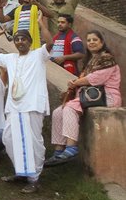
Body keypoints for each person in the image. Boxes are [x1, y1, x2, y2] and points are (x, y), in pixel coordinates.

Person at [0, 25, 52, 194]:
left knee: (33, 142)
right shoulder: (10, 58)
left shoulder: (38, 55)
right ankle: (21, 172)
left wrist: (42, 23)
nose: (20, 42)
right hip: (14, 106)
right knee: (9, 138)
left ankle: (34, 179)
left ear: (30, 42)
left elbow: (50, 43)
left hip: (32, 104)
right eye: (17, 39)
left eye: (23, 39)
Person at [47, 31, 121, 166]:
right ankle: (58, 151)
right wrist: (75, 83)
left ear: (102, 43)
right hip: (91, 96)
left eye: (95, 40)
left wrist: (76, 83)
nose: (91, 42)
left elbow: (96, 79)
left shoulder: (107, 59)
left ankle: (71, 148)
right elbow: (84, 80)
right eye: (89, 40)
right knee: (59, 112)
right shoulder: (90, 61)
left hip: (107, 96)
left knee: (69, 108)